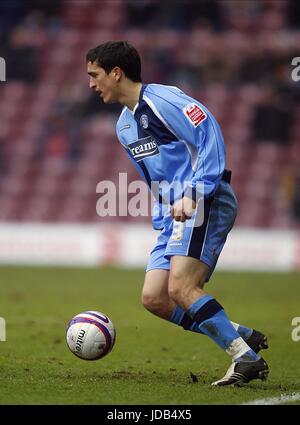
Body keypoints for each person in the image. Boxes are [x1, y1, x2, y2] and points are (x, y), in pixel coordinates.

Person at [86, 41, 269, 386]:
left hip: (203, 201)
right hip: (173, 216)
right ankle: (242, 334)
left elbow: (208, 132)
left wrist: (195, 193)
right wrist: (164, 217)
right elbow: (155, 178)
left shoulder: (163, 100)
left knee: (182, 286)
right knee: (155, 298)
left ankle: (246, 358)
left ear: (116, 73)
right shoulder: (125, 126)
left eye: (94, 75)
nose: (91, 84)